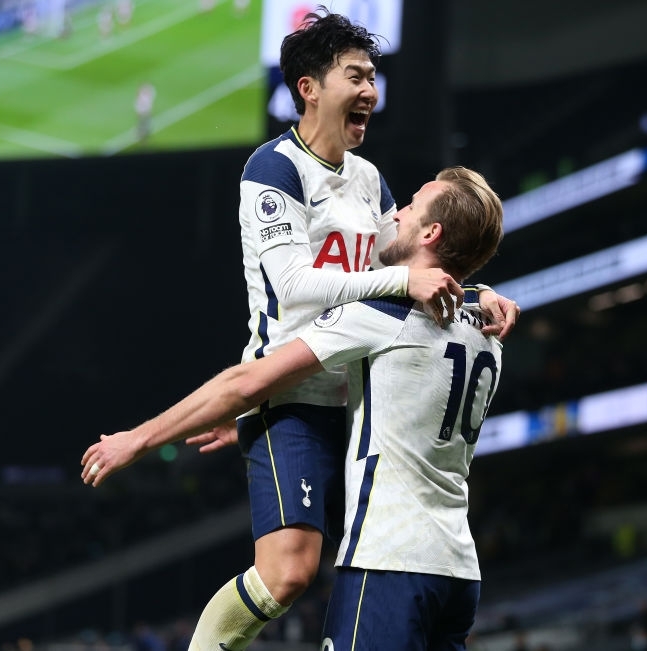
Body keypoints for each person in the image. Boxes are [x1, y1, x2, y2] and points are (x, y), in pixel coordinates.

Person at [188, 9, 516, 650]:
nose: (371, 90)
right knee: (289, 573)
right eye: (356, 76)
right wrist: (400, 285)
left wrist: (476, 290)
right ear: (309, 87)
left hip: (360, 386)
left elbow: (420, 253)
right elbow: (298, 285)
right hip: (295, 385)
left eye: (374, 77)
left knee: (357, 550)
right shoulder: (273, 169)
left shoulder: (370, 181)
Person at [82, 165, 506, 650]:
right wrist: (486, 291)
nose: (399, 214)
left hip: (390, 563)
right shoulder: (486, 329)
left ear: (432, 232)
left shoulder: (387, 312)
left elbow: (244, 383)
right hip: (458, 572)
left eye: (411, 207)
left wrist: (139, 439)